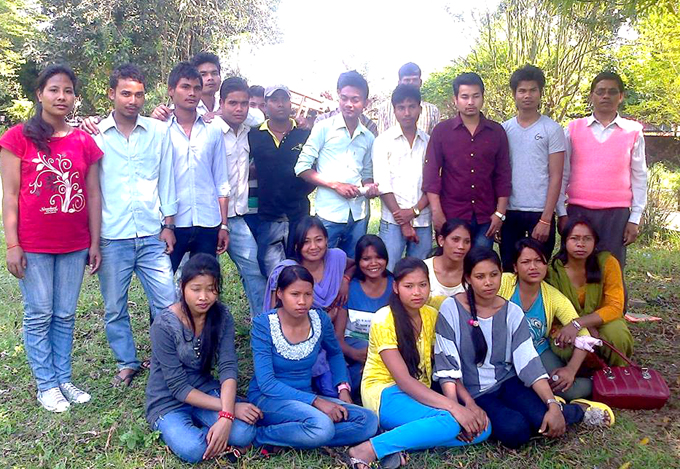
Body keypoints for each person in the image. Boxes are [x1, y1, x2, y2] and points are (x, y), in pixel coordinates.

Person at [434, 249, 613, 449]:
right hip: (472, 391)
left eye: (494, 275)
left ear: (502, 273)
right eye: (480, 276)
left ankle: (574, 409)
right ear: (468, 278)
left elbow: (528, 362)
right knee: (516, 431)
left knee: (544, 418)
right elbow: (447, 365)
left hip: (507, 381)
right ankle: (557, 411)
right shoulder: (451, 308)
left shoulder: (512, 312)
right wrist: (460, 409)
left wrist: (551, 404)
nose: (488, 282)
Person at [0, 64, 102, 412]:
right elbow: (10, 195)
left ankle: (63, 379)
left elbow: (93, 194)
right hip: (34, 245)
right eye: (54, 89)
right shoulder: (17, 137)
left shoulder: (84, 141)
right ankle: (46, 385)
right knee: (39, 313)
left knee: (65, 314)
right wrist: (12, 244)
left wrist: (95, 242)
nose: (62, 96)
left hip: (74, 244)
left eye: (68, 90)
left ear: (75, 97)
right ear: (39, 94)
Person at [341, 257, 490, 469]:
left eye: (422, 285)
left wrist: (469, 404)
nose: (417, 292)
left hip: (420, 391)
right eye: (409, 286)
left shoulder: (431, 315)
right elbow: (403, 381)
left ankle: (398, 440)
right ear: (396, 288)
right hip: (384, 393)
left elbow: (445, 364)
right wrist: (454, 408)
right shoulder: (384, 319)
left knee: (483, 427)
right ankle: (366, 449)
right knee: (450, 422)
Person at [92, 64, 178, 387]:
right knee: (115, 307)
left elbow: (166, 179)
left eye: (139, 94)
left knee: (168, 302)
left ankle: (169, 359)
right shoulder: (96, 135)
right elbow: (92, 188)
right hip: (113, 236)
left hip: (152, 234)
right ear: (111, 94)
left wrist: (168, 224)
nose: (133, 100)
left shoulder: (158, 133)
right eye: (125, 93)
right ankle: (127, 362)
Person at [248, 264, 378, 451]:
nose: (302, 301)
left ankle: (299, 435)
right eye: (295, 294)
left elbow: (334, 353)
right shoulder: (264, 324)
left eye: (308, 294)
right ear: (280, 294)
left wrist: (343, 387)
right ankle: (260, 437)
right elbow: (267, 383)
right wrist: (316, 402)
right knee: (322, 426)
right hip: (269, 398)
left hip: (306, 397)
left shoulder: (319, 319)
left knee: (368, 421)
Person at [146, 254, 261, 464]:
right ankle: (212, 436)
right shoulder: (164, 325)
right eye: (196, 289)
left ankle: (216, 433)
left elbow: (228, 367)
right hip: (168, 402)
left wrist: (225, 417)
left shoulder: (222, 316)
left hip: (205, 390)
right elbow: (178, 387)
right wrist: (229, 410)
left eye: (211, 289)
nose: (203, 297)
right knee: (193, 449)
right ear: (182, 287)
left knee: (245, 432)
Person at [557, 71, 647, 269]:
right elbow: (562, 173)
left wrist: (635, 218)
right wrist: (561, 212)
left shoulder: (632, 131)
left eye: (612, 92)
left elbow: (639, 175)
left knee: (610, 269)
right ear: (592, 96)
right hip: (578, 211)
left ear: (621, 96)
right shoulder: (573, 128)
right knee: (575, 269)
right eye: (600, 91)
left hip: (616, 215)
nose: (606, 96)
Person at [295, 71, 380, 258]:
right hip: (329, 213)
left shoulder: (368, 137)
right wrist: (336, 185)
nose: (349, 104)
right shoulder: (323, 128)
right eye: (344, 98)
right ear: (338, 97)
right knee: (321, 263)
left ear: (365, 103)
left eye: (355, 99)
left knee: (352, 264)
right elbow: (301, 167)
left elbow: (367, 173)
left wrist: (369, 187)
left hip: (358, 214)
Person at [422, 72, 511, 250]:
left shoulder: (496, 132)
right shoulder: (442, 131)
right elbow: (431, 174)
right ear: (455, 99)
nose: (470, 102)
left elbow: (503, 174)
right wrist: (437, 212)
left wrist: (500, 212)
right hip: (451, 214)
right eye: (465, 97)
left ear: (482, 97)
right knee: (452, 261)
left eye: (475, 96)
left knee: (480, 263)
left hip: (485, 216)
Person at [498, 238, 592, 400]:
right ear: (515, 267)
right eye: (526, 262)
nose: (533, 267)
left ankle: (597, 382)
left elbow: (585, 336)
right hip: (500, 352)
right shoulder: (502, 282)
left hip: (537, 351)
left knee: (561, 388)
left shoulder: (553, 297)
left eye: (539, 261)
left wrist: (570, 370)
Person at [165, 62, 230, 272]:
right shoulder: (160, 130)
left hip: (207, 221)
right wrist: (165, 224)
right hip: (172, 222)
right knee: (164, 285)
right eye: (185, 87)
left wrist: (224, 224)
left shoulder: (213, 130)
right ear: (171, 90)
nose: (192, 93)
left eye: (196, 88)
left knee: (205, 281)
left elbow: (221, 179)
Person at [500, 65, 565, 271]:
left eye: (532, 90)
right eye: (522, 91)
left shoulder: (552, 129)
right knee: (510, 270)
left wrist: (546, 219)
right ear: (514, 94)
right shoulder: (504, 130)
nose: (527, 96)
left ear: (540, 93)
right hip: (510, 212)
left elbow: (556, 175)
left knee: (537, 270)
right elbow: (498, 174)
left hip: (540, 212)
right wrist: (499, 214)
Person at [547, 217, 634, 367]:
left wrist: (581, 323)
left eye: (587, 239)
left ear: (595, 242)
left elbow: (615, 307)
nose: (581, 244)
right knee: (567, 346)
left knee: (617, 335)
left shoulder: (608, 263)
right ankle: (582, 373)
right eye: (574, 238)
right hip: (565, 323)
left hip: (601, 322)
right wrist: (581, 329)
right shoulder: (554, 271)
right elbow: (552, 313)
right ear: (565, 241)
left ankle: (617, 373)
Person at [215, 77, 267, 316]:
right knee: (205, 276)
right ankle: (204, 331)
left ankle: (262, 326)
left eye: (244, 103)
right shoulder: (211, 130)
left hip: (237, 217)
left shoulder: (248, 127)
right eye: (232, 103)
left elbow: (259, 115)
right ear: (221, 103)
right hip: (210, 217)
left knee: (254, 270)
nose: (239, 109)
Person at [248, 85, 314, 275]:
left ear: (290, 103)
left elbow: (314, 169)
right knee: (273, 274)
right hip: (268, 217)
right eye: (274, 100)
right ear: (266, 104)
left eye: (284, 99)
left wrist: (298, 193)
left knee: (301, 271)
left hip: (299, 215)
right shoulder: (254, 135)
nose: (280, 104)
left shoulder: (304, 134)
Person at [373, 84, 432, 270]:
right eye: (401, 107)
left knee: (420, 273)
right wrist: (404, 221)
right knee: (388, 272)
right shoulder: (383, 141)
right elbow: (383, 184)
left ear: (420, 109)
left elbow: (433, 183)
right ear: (394, 110)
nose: (407, 113)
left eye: (411, 106)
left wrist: (414, 211)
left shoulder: (429, 142)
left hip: (423, 220)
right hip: (392, 222)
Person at [334, 235, 393, 397]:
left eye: (378, 257)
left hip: (386, 353)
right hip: (353, 351)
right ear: (358, 262)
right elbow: (338, 337)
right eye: (366, 259)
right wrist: (354, 353)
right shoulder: (349, 289)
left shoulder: (395, 286)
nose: (373, 263)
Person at [376, 62, 441, 135]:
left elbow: (435, 139)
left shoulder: (432, 110)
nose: (411, 83)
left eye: (415, 80)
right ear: (399, 82)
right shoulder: (385, 109)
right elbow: (382, 137)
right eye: (407, 80)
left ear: (420, 82)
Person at [423, 220, 472, 300]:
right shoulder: (423, 269)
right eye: (455, 240)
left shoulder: (473, 273)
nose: (461, 246)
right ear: (441, 240)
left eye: (467, 242)